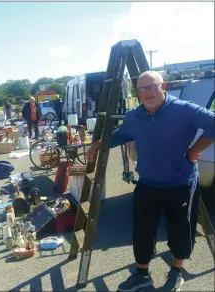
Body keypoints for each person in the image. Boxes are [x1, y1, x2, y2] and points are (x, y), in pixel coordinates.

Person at [87, 71, 214, 291]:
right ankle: (141, 275)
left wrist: (195, 150)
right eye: (142, 89)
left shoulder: (184, 109)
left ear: (162, 86)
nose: (147, 93)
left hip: (180, 182)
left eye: (151, 87)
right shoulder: (135, 115)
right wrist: (100, 143)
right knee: (142, 230)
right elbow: (122, 134)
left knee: (180, 230)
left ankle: (176, 272)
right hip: (147, 184)